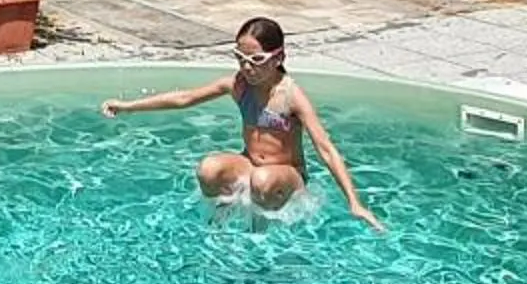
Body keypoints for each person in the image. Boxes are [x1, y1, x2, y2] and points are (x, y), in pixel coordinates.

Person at [101, 17, 381, 227]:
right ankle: (217, 226)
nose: (247, 67)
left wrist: (354, 202)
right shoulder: (238, 85)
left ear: (278, 58)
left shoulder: (291, 95)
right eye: (240, 58)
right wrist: (127, 107)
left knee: (262, 180)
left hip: (286, 174)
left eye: (256, 60)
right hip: (250, 163)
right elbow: (183, 98)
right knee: (208, 169)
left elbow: (326, 148)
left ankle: (261, 235)